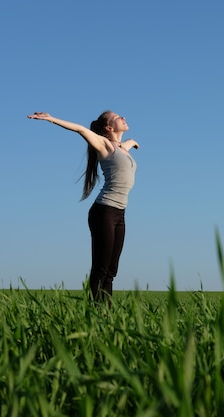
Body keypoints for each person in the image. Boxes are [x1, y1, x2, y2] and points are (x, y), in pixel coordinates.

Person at [27, 111, 140, 302]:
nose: (123, 117)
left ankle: (107, 315)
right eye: (117, 117)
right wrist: (51, 119)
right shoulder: (104, 145)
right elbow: (80, 129)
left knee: (112, 270)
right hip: (104, 211)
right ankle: (94, 313)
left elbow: (127, 143)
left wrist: (132, 142)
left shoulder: (122, 147)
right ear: (108, 128)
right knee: (101, 268)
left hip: (120, 214)